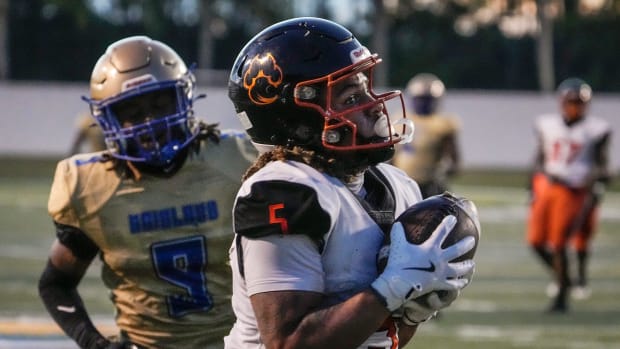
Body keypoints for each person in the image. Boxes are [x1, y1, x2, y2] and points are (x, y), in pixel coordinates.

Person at [223, 17, 476, 349]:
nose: (373, 107)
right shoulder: (283, 191)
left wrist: (413, 310)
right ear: (299, 121)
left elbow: (384, 337)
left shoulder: (398, 185)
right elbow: (286, 342)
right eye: (350, 98)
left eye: (366, 88)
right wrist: (393, 287)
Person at [37, 36, 256, 348]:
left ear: (184, 97)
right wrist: (93, 342)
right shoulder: (91, 188)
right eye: (133, 111)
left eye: (160, 104)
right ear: (106, 119)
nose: (150, 122)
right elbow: (55, 283)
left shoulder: (239, 159)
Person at [526, 77, 612, 313]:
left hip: (574, 190)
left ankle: (562, 296)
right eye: (570, 101)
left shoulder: (596, 129)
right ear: (562, 102)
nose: (574, 106)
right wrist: (531, 186)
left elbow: (603, 166)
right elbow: (540, 157)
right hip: (547, 185)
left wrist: (593, 180)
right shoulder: (547, 124)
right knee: (535, 242)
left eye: (579, 102)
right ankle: (566, 278)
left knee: (560, 243)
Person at [391, 73, 461, 198]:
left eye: (427, 99)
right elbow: (393, 152)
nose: (423, 103)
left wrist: (447, 170)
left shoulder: (443, 123)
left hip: (429, 185)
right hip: (400, 181)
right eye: (420, 99)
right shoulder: (401, 118)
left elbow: (453, 159)